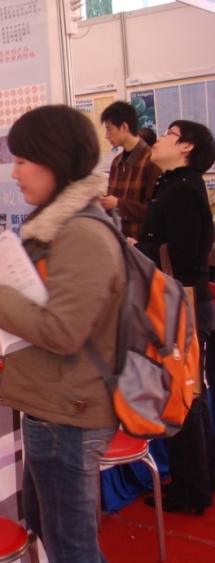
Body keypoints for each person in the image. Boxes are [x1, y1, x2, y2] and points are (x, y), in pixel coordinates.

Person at [0, 105, 125, 562]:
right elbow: (46, 301)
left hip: (69, 411)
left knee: (71, 547)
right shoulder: (60, 226)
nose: (15, 173)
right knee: (54, 533)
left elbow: (63, 331)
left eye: (23, 160)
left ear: (56, 160)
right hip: (57, 404)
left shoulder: (81, 233)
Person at [134, 119, 215, 515]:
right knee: (187, 393)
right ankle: (197, 482)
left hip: (182, 300)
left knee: (186, 395)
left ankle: (192, 492)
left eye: (169, 134)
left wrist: (139, 250)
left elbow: (183, 254)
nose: (159, 138)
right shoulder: (174, 184)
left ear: (186, 147)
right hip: (179, 298)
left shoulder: (183, 189)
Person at [99, 100, 162, 240]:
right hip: (117, 240)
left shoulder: (152, 160)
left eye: (109, 129)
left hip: (141, 243)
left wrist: (118, 203)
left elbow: (155, 210)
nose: (106, 136)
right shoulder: (116, 162)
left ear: (124, 127)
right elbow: (113, 202)